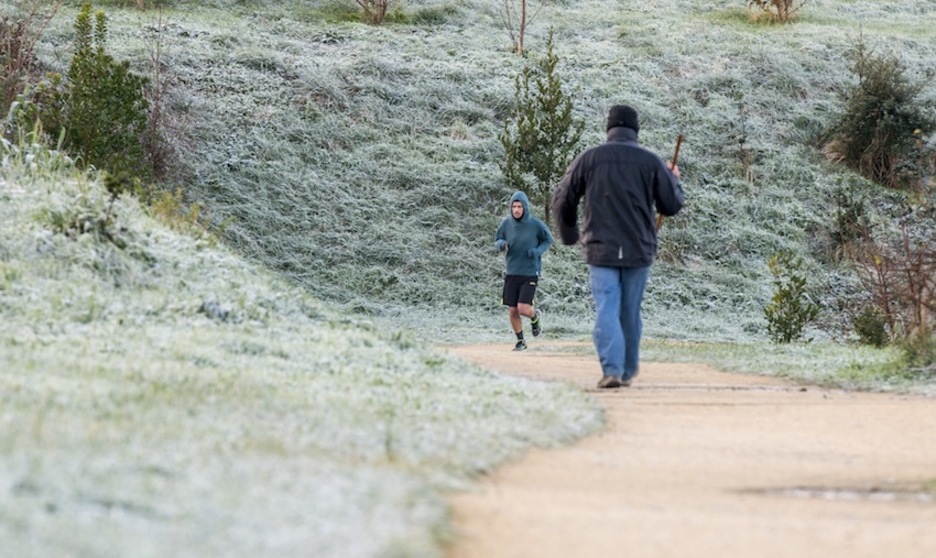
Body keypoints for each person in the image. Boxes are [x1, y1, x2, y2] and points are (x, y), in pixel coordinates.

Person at [551, 105, 684, 388]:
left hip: (601, 248)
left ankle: (612, 369)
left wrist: (570, 234)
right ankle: (627, 371)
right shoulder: (650, 161)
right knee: (630, 310)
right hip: (638, 248)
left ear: (609, 128)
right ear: (635, 130)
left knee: (607, 306)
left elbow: (563, 198)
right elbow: (670, 206)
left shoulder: (589, 158)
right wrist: (673, 180)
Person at [494, 191, 554, 351]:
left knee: (523, 308)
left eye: (519, 206)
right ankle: (521, 341)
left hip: (530, 272)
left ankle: (534, 317)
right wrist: (501, 244)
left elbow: (549, 239)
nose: (516, 209)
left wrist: (537, 251)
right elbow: (497, 239)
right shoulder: (506, 224)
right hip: (512, 271)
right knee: (512, 310)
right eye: (514, 206)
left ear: (525, 207)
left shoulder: (535, 224)